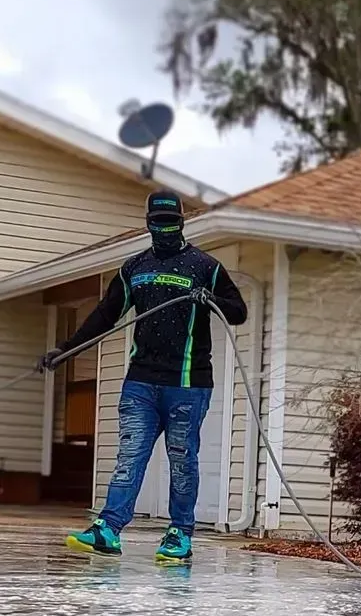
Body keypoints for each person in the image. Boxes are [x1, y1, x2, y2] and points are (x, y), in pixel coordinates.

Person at [48, 190, 249, 563]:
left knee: (182, 457)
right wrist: (67, 349)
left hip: (188, 384)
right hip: (140, 382)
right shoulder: (134, 269)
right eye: (158, 223)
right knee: (130, 456)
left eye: (171, 223)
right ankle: (108, 529)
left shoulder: (205, 267)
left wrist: (211, 299)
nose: (165, 230)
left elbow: (238, 311)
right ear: (148, 223)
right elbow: (105, 315)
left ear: (182, 223)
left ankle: (179, 534)